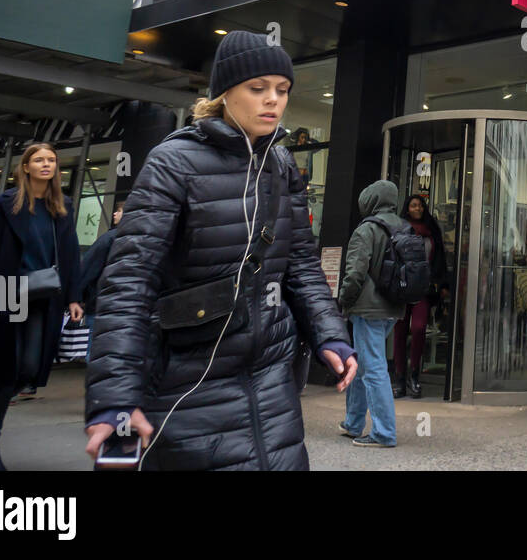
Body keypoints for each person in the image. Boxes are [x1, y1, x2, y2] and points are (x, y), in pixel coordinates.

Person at [83, 30, 357, 470]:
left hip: (271, 376)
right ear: (224, 93)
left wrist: (331, 334)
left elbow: (300, 264)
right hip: (186, 384)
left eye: (283, 90)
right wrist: (113, 397)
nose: (273, 100)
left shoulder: (282, 166)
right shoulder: (173, 163)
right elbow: (129, 281)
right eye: (258, 88)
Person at [0, 142, 83, 470]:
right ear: (25, 167)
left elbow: (70, 255)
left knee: (28, 370)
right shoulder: (4, 204)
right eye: (39, 159)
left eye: (51, 160)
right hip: (6, 293)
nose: (46, 164)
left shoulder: (63, 206)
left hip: (43, 296)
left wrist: (73, 296)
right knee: (5, 370)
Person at [337, 180, 405, 447]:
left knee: (373, 367)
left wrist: (343, 301)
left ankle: (384, 432)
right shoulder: (403, 227)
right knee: (363, 364)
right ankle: (353, 422)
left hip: (368, 308)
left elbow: (355, 273)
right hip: (393, 307)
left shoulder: (367, 229)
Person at [391, 194, 447, 399]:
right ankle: (399, 378)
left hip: (423, 287)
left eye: (420, 205)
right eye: (414, 205)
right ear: (407, 208)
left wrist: (441, 283)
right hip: (403, 286)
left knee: (419, 328)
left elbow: (440, 257)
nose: (418, 209)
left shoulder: (431, 230)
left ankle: (414, 375)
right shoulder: (400, 228)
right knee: (399, 331)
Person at [78, 198, 126, 355]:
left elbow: (88, 269)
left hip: (101, 302)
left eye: (119, 210)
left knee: (96, 348)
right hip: (128, 304)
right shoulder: (144, 239)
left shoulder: (109, 239)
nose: (114, 213)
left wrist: (77, 298)